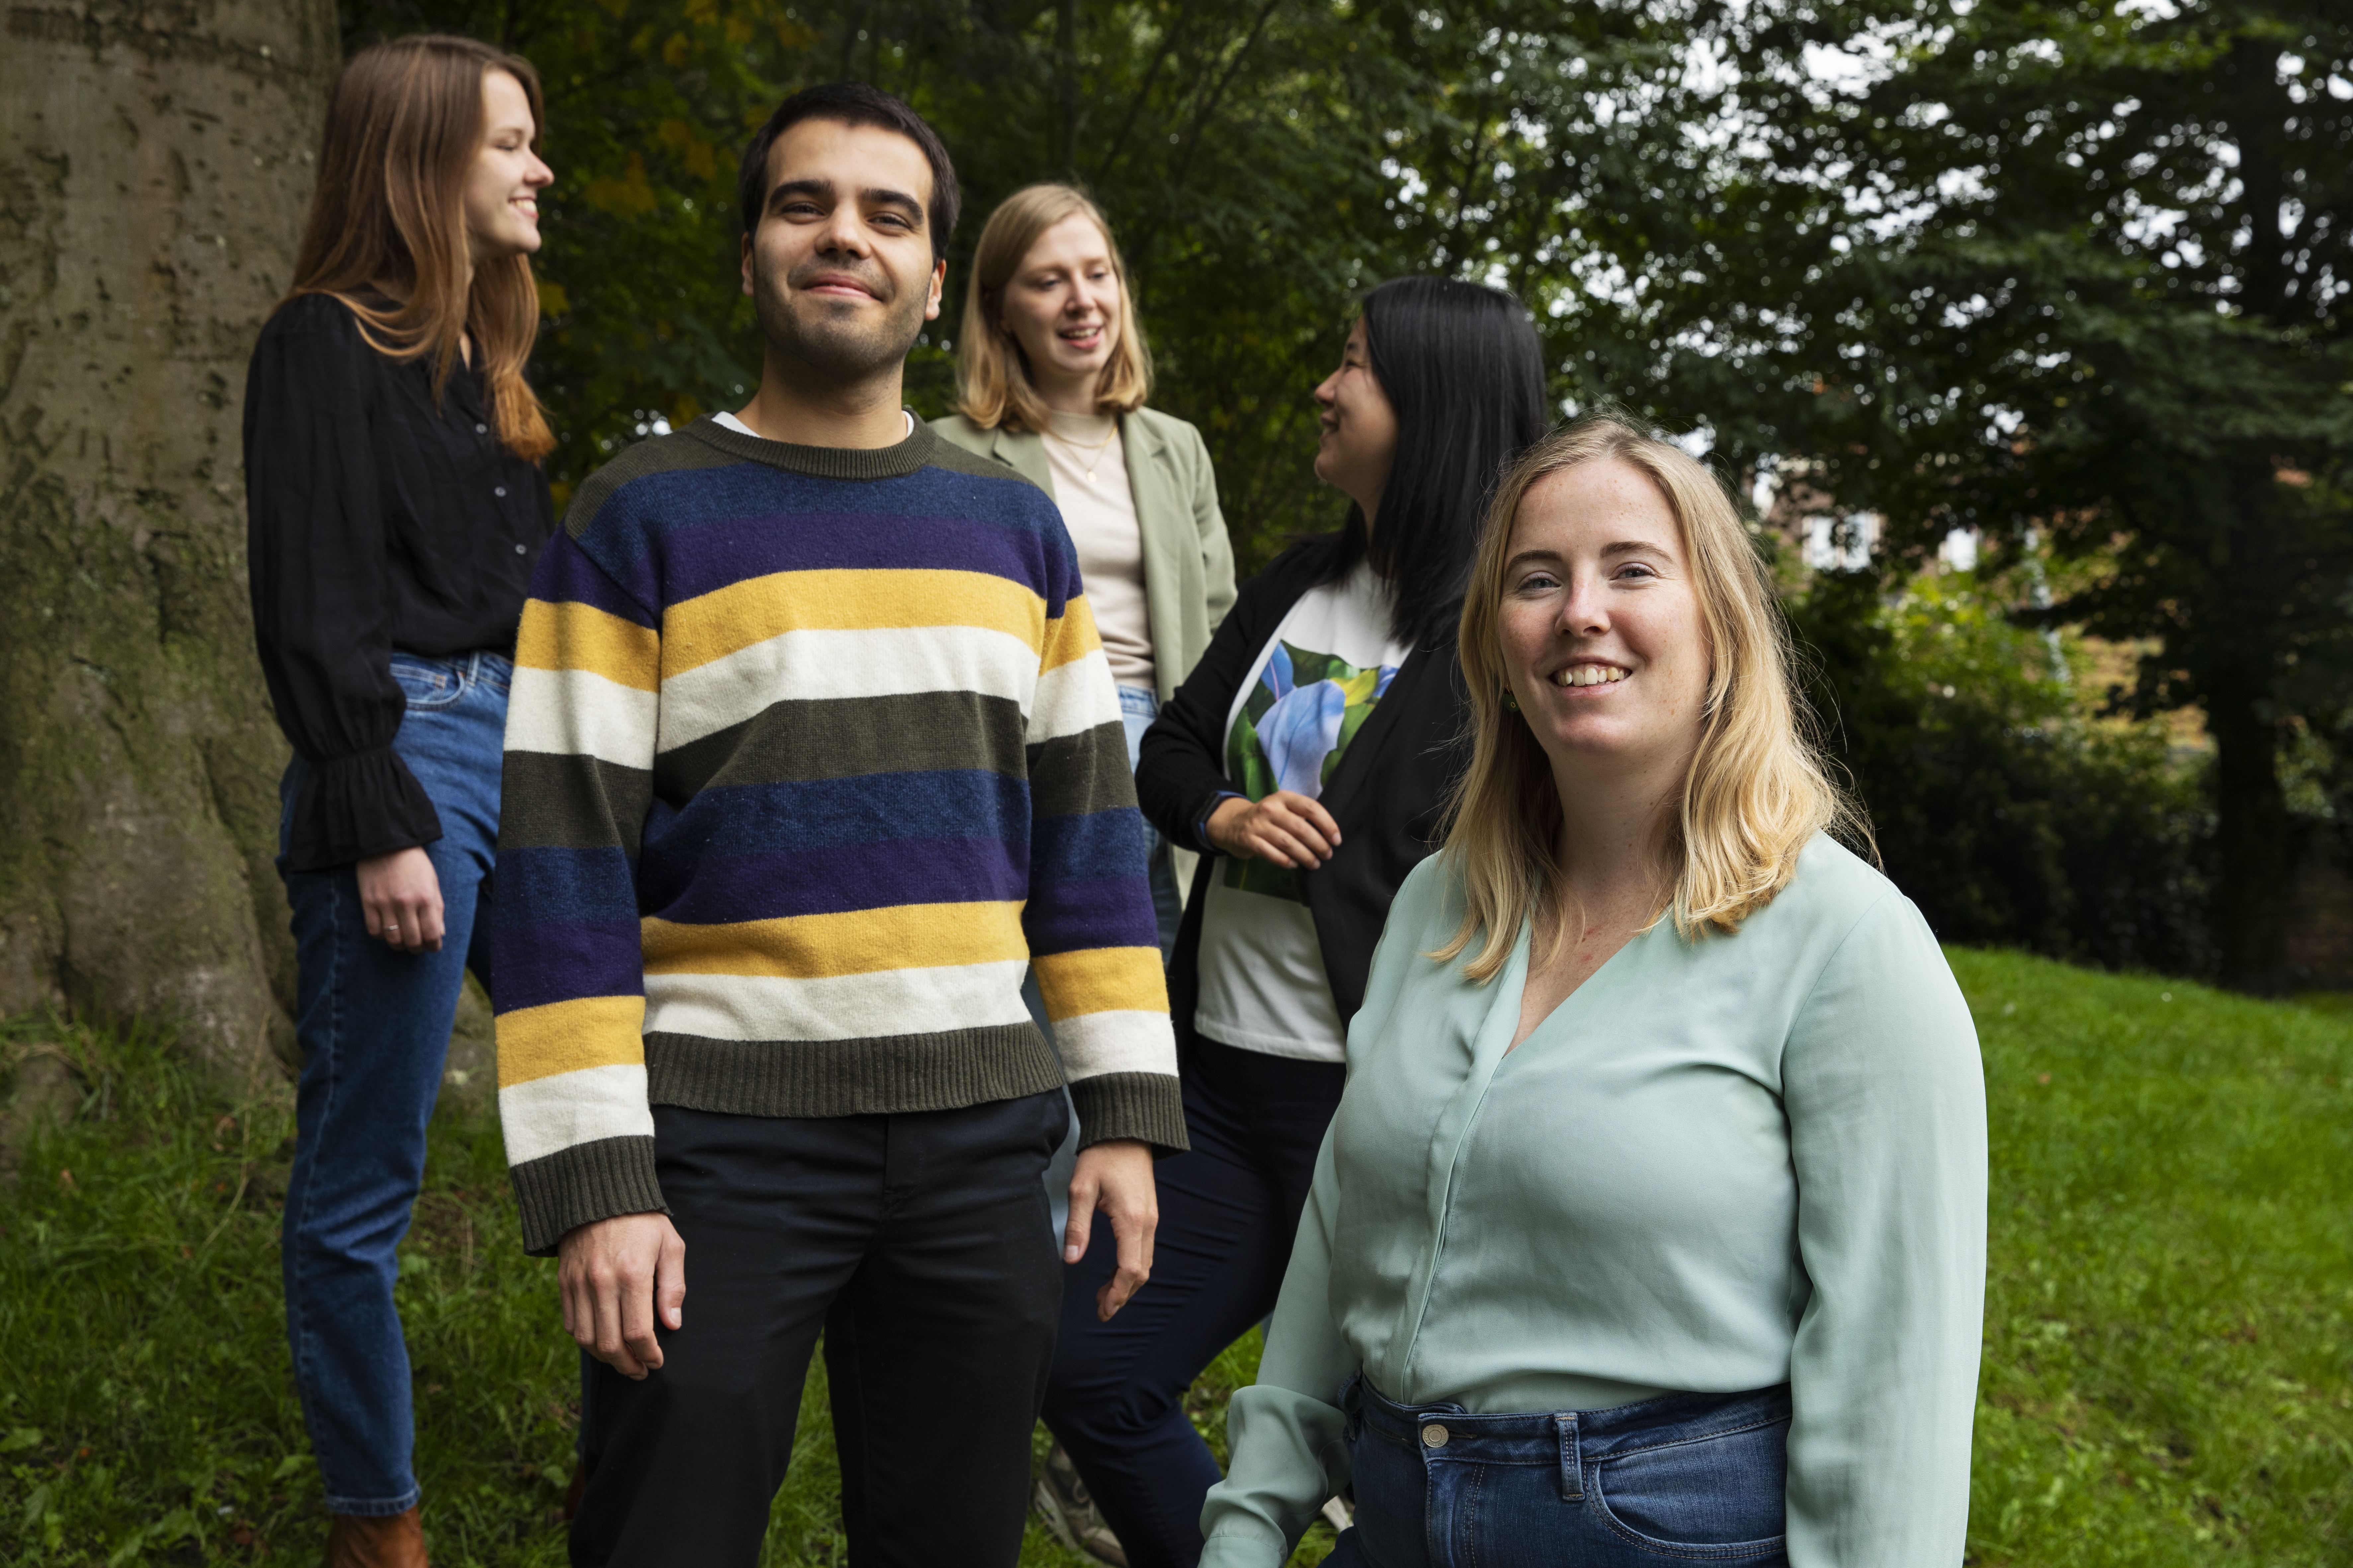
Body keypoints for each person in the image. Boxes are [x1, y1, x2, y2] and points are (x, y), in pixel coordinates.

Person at [489, 83, 1184, 1567]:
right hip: (720, 1151)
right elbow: (557, 872)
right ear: (749, 255)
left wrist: (1120, 1113)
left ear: (938, 283)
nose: (844, 237)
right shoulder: (637, 516)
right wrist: (593, 1184)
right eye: (805, 204)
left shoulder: (1014, 531)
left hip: (985, 1141)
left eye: (890, 215)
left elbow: (1090, 846)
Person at [1199, 416, 1989, 1567]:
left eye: (1630, 569)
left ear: (1717, 627)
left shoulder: (1848, 947)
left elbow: (1892, 1384)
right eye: (1535, 578)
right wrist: (1252, 1517)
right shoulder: (1432, 902)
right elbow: (1342, 1223)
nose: (1578, 610)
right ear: (1494, 646)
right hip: (1388, 1522)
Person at [1039, 278, 1551, 1567]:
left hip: (1370, 1111)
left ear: (1427, 406)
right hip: (1210, 1086)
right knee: (1086, 1365)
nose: (1324, 386)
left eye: (1354, 365)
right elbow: (1164, 749)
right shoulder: (1296, 584)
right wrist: (1220, 813)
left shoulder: (1503, 644)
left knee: (1407, 1454)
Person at [242, 34, 555, 1566]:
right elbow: (310, 596)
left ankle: (664, 1427)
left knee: (640, 1090)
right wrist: (377, 813)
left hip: (530, 758)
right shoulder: (323, 343)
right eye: (509, 142)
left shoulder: (483, 372)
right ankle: (380, 1526)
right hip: (411, 752)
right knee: (363, 1183)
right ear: (424, 159)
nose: (538, 168)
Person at [933, 182, 1237, 963]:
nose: (1082, 301)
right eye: (1049, 281)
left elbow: (1221, 619)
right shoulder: (948, 451)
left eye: (1097, 274)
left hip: (1167, 750)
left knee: (1159, 1011)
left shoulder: (1178, 448)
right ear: (1000, 308)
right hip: (1032, 747)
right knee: (1048, 1006)